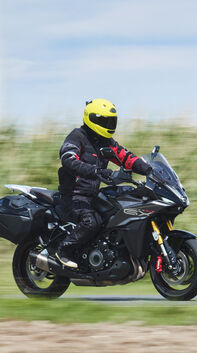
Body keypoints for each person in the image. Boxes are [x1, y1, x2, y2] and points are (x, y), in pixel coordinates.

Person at [55, 98, 152, 269]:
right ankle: (63, 250)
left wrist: (148, 169)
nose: (109, 125)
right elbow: (68, 159)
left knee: (115, 216)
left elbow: (125, 157)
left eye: (111, 121)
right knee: (91, 222)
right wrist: (96, 171)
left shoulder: (105, 142)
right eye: (105, 121)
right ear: (92, 119)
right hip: (73, 195)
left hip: (92, 195)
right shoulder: (77, 136)